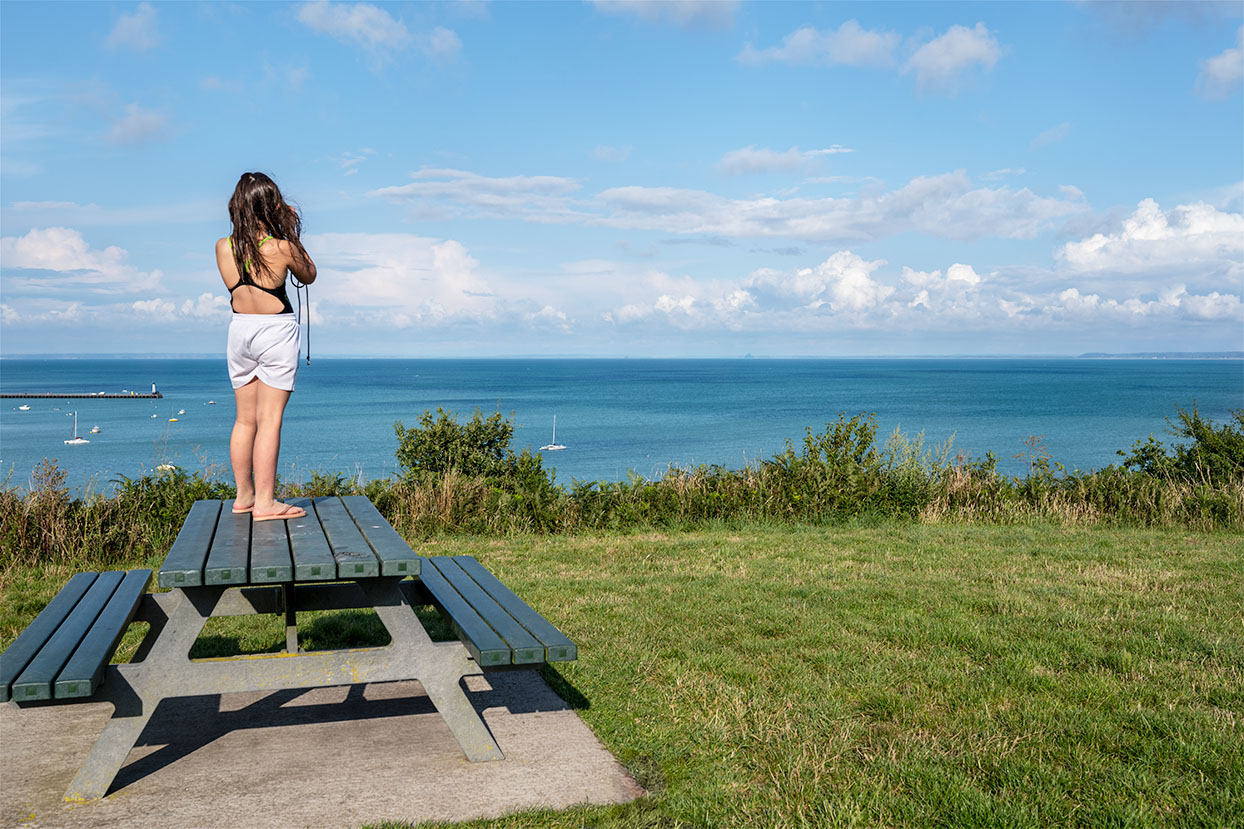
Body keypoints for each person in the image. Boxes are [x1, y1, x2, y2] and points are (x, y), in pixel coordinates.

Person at [216, 171, 317, 521]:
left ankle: (244, 497)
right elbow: (309, 275)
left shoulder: (223, 247)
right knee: (270, 420)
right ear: (270, 205)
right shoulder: (280, 246)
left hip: (239, 330)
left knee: (245, 420)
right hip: (275, 331)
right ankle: (266, 503)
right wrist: (288, 229)